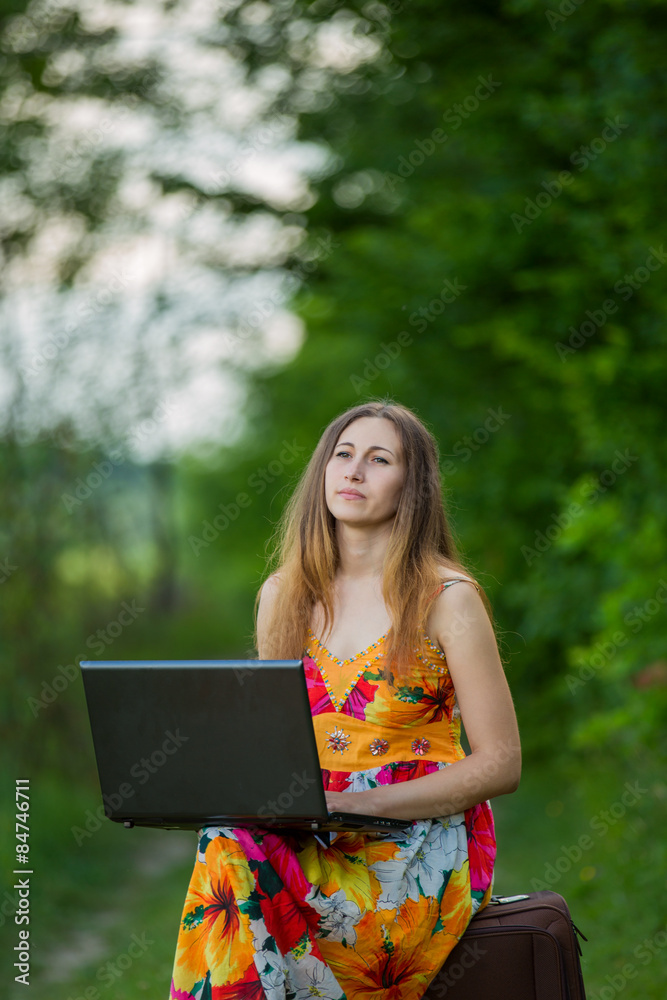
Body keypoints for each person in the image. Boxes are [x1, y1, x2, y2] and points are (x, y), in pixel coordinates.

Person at [169, 399, 521, 1000]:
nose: (354, 471)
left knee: (231, 867)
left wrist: (362, 802)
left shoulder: (447, 597)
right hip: (311, 834)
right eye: (343, 454)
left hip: (414, 849)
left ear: (413, 486)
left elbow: (501, 763)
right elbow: (274, 745)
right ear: (324, 472)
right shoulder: (283, 596)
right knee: (225, 837)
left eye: (379, 459)